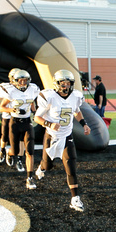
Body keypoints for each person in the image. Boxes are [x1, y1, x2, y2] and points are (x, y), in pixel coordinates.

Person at [33, 70, 91, 212]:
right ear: (57, 84)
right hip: (52, 136)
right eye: (63, 83)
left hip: (67, 136)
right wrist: (49, 124)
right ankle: (41, 166)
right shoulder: (49, 96)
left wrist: (84, 124)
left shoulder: (75, 96)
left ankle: (75, 199)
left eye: (68, 83)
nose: (66, 86)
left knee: (70, 166)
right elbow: (37, 117)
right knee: (48, 166)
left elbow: (76, 111)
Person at [0, 69, 40, 190]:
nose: (22, 83)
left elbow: (32, 104)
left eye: (25, 80)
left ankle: (29, 178)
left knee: (30, 151)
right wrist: (12, 110)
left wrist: (35, 112)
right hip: (15, 123)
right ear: (15, 81)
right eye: (20, 81)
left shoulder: (33, 89)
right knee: (14, 151)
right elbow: (1, 107)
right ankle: (8, 153)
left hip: (27, 123)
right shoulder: (11, 92)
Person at [0, 68, 25, 171]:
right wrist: (7, 109)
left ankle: (20, 159)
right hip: (8, 116)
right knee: (5, 136)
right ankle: (3, 150)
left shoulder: (26, 88)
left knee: (21, 138)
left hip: (20, 117)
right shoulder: (7, 88)